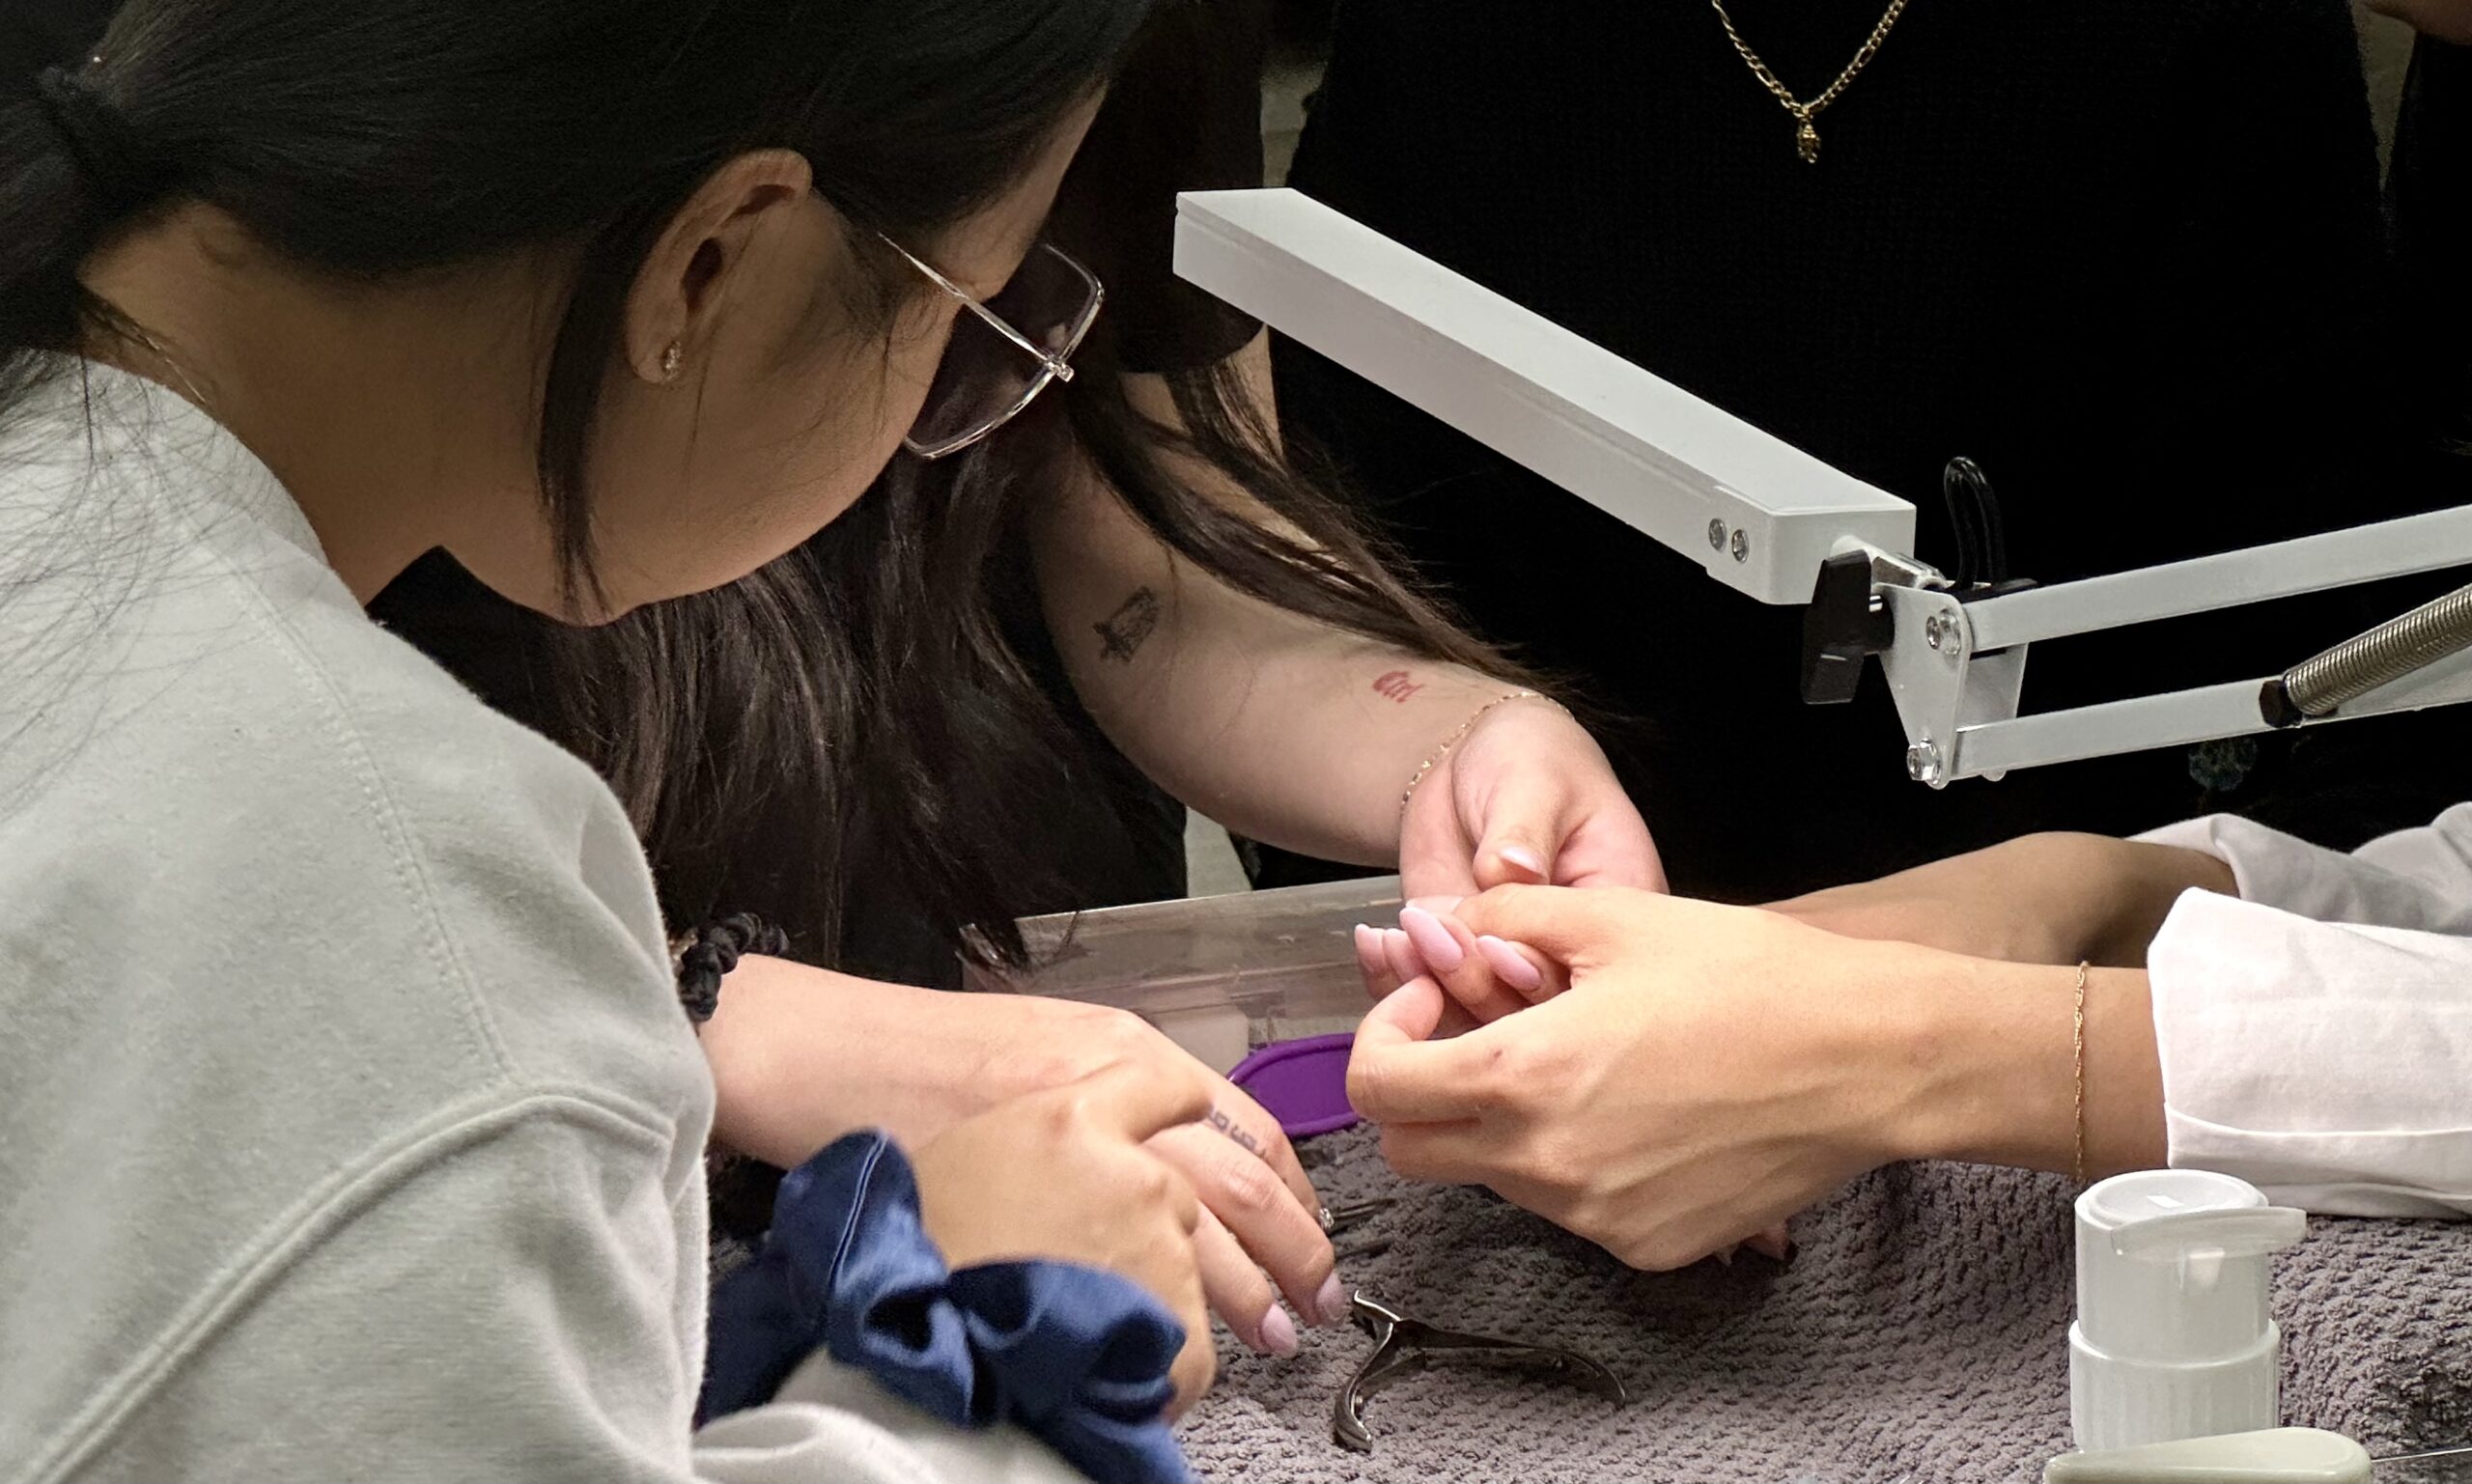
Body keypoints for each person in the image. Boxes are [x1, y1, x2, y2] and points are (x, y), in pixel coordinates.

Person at [0, 0, 1589, 1475]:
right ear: (711, 262)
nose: (941, 418)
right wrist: (973, 1357)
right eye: (971, 332)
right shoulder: (412, 919)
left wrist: (1457, 737)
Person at [1265, 0, 2469, 903]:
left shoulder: (2205, 49)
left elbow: (2329, 684)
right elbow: (1315, 600)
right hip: (1549, 953)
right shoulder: (1444, 55)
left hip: (2085, 1006)